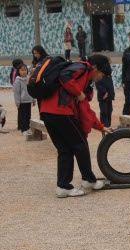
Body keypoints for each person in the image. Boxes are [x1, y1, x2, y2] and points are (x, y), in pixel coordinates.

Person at [39, 54, 112, 198]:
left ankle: (63, 187)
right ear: (96, 68)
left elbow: (85, 111)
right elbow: (64, 76)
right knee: (80, 144)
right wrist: (79, 93)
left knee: (65, 149)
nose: (101, 78)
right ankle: (89, 180)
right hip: (61, 111)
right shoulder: (83, 68)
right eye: (102, 74)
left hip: (47, 112)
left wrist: (101, 126)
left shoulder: (83, 81)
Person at [13, 64, 35, 135]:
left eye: (25, 70)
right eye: (22, 70)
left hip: (28, 100)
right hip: (22, 102)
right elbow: (16, 93)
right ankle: (23, 129)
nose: (24, 72)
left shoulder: (29, 79)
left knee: (28, 115)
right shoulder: (17, 80)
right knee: (23, 116)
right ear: (18, 71)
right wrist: (17, 103)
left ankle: (28, 128)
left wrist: (33, 99)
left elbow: (32, 90)